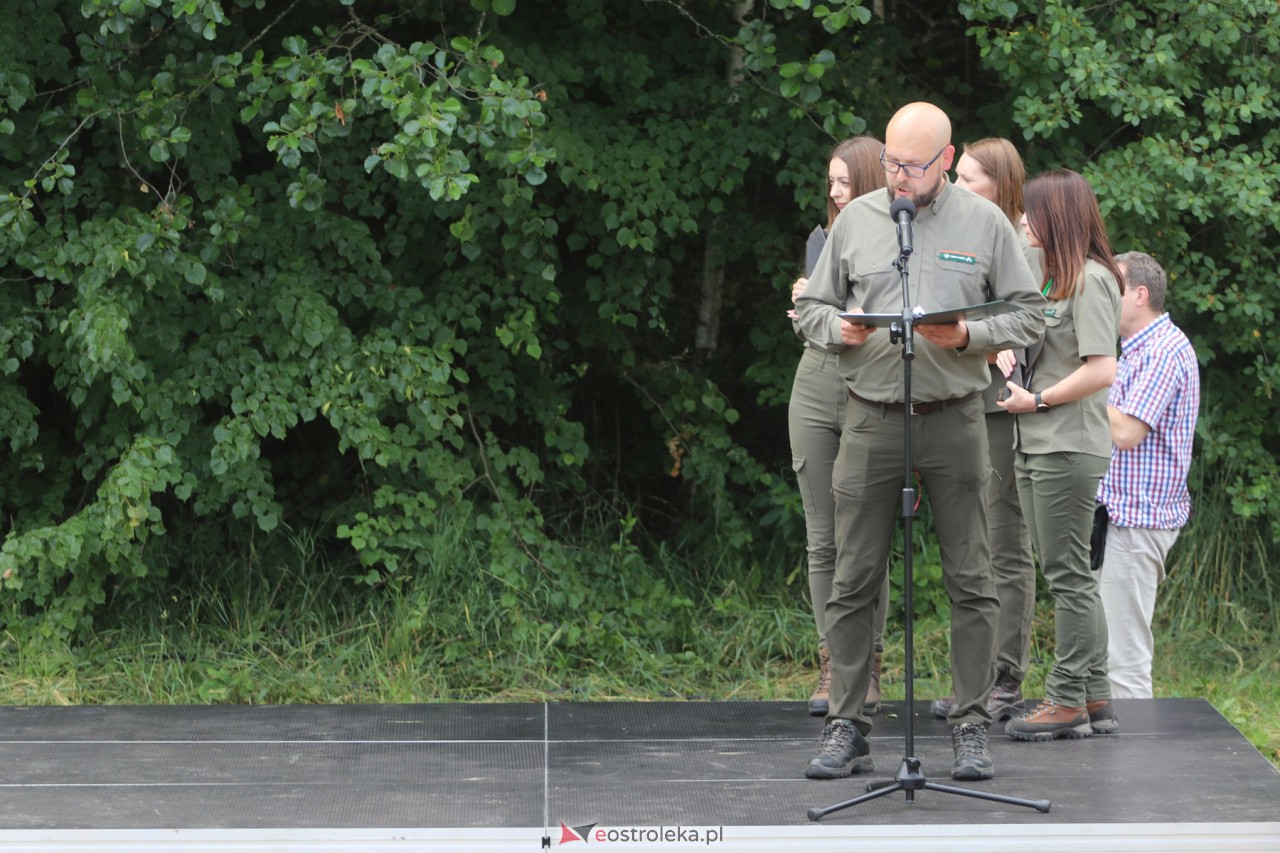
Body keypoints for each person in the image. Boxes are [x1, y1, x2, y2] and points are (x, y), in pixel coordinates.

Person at [795, 102, 1045, 782]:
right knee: (853, 575)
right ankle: (849, 721)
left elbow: (1029, 311)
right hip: (871, 417)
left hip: (956, 414)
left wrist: (968, 335)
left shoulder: (986, 222)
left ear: (946, 156)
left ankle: (970, 723)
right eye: (892, 163)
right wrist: (834, 329)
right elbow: (811, 306)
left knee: (972, 574)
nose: (899, 176)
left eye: (913, 164)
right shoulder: (857, 221)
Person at [998, 169, 1122, 741]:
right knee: (1073, 576)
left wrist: (1039, 398)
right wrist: (1006, 356)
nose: (1024, 220)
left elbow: (1102, 368)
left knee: (1068, 577)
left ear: (1060, 217)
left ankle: (1066, 698)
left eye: (1033, 212)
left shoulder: (1094, 280)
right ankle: (1096, 695)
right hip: (1037, 439)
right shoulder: (1051, 279)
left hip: (1066, 442)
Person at [787, 137, 893, 718]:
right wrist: (807, 308)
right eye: (830, 183)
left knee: (864, 538)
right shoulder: (821, 240)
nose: (833, 193)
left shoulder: (903, 241)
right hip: (814, 385)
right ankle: (832, 661)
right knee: (822, 538)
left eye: (844, 182)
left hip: (870, 387)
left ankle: (866, 664)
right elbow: (816, 322)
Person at [931, 138, 1036, 722]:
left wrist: (992, 335)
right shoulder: (964, 234)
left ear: (1001, 185)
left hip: (1011, 409)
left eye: (971, 179)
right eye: (960, 177)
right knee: (971, 550)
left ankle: (1005, 677)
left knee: (1004, 545)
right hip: (965, 400)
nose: (961, 188)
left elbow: (1042, 318)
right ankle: (975, 679)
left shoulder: (1024, 241)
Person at [1096, 251, 1200, 698]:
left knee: (1124, 661)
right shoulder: (1140, 349)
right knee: (1106, 653)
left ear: (1140, 295)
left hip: (1138, 524)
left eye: (1111, 289)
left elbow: (1124, 432)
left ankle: (1133, 765)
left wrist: (1078, 389)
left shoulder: (1160, 352)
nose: (1101, 299)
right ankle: (1111, 759)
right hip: (1123, 519)